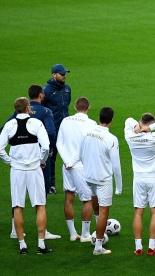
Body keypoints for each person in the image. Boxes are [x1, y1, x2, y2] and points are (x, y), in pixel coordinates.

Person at [1, 85, 60, 240]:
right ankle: (42, 237)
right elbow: (51, 135)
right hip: (36, 163)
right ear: (41, 95)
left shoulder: (13, 119)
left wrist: (10, 161)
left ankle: (17, 235)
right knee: (40, 201)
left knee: (18, 203)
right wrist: (43, 158)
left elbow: (3, 131)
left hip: (17, 168)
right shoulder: (44, 113)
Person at [124, 113, 155, 256]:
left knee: (138, 213)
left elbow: (127, 120)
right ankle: (151, 247)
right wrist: (150, 128)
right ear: (152, 124)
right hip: (154, 178)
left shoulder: (130, 137)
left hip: (138, 178)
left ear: (140, 122)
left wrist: (136, 126)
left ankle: (138, 247)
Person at [79, 107, 122, 255]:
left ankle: (99, 230)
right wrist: (119, 187)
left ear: (98, 118)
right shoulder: (111, 139)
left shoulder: (86, 132)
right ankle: (98, 247)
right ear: (111, 120)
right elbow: (116, 165)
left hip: (88, 176)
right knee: (105, 211)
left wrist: (86, 168)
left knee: (94, 200)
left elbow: (81, 152)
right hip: (103, 179)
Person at [56, 97, 98, 242]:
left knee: (69, 198)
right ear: (89, 108)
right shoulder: (91, 124)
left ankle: (73, 233)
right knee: (87, 200)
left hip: (67, 166)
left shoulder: (65, 121)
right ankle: (85, 234)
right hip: (82, 166)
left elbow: (59, 143)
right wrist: (73, 161)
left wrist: (67, 161)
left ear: (75, 108)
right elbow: (87, 147)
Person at [42, 64, 71, 194]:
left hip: (66, 129)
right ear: (54, 75)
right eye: (61, 73)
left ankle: (72, 185)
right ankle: (50, 184)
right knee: (51, 157)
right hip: (53, 130)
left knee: (71, 156)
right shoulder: (46, 91)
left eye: (65, 73)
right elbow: (42, 110)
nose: (64, 75)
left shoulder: (67, 89)